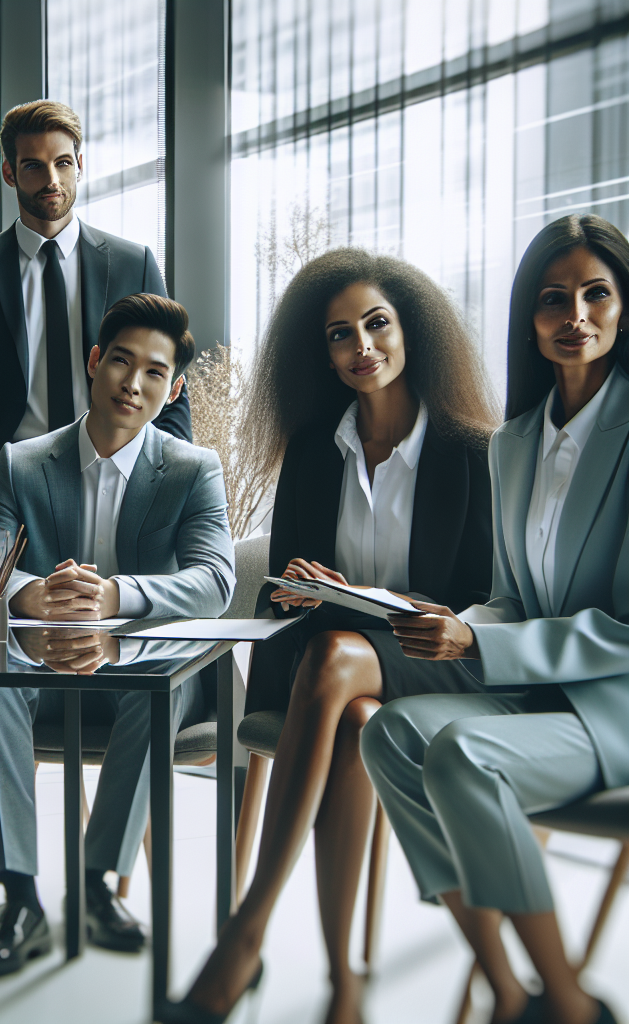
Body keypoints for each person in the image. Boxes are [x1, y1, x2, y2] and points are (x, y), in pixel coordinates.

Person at [159, 249, 501, 1024]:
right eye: (340, 335)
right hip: (330, 677)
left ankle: (245, 935)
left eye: (376, 324)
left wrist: (388, 604)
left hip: (435, 665)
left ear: (411, 329)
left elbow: (481, 602)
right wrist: (303, 589)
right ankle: (342, 986)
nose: (362, 347)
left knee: (339, 659)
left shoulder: (473, 453)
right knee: (347, 708)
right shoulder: (317, 449)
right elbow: (287, 592)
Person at [359, 214, 627, 1024]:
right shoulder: (512, 444)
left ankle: (571, 1005)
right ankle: (509, 990)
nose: (574, 315)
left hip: (614, 705)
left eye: (597, 294)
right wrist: (458, 620)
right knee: (391, 734)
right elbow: (512, 595)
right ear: (531, 318)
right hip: (542, 695)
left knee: (463, 755)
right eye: (554, 298)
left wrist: (483, 640)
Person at [0, 293, 234, 979]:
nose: (132, 384)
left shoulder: (193, 469)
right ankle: (20, 897)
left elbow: (214, 580)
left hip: (142, 671)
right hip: (46, 667)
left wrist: (114, 597)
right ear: (94, 362)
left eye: (153, 373)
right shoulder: (21, 463)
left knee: (154, 686)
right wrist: (35, 593)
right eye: (120, 361)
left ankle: (94, 884)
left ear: (172, 388)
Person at [0, 99, 192, 545]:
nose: (51, 180)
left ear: (79, 165)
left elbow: (172, 387)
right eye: (33, 166)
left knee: (118, 609)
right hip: (5, 492)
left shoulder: (132, 263)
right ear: (10, 173)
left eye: (63, 163)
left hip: (116, 482)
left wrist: (169, 483)